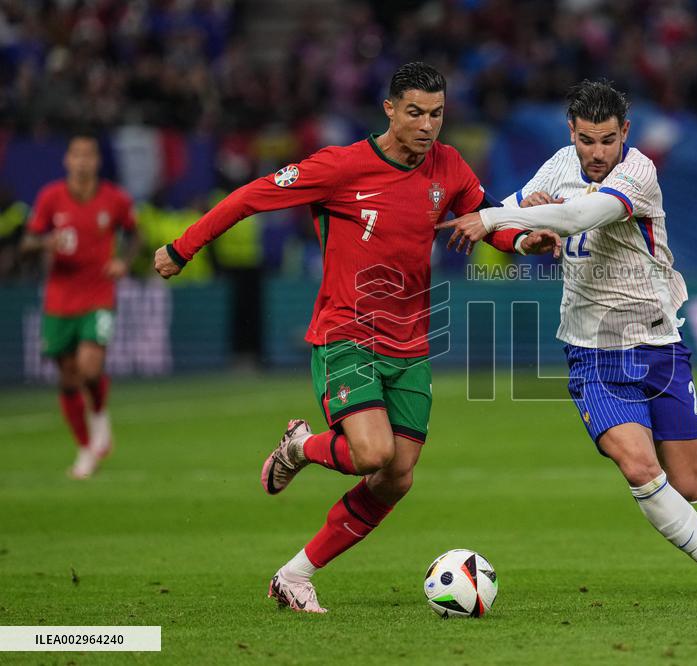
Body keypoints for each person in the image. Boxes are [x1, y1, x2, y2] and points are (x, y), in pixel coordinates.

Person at [153, 62, 557, 614]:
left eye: (437, 114)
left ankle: (295, 575)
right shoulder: (340, 167)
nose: (427, 125)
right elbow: (250, 196)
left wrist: (527, 240)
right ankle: (299, 447)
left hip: (411, 342)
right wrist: (183, 247)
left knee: (396, 477)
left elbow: (488, 222)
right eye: (415, 112)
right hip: (346, 333)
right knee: (371, 453)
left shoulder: (450, 165)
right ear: (389, 109)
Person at [438, 79, 697, 606]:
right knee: (639, 468)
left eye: (608, 139)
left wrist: (500, 217)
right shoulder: (560, 164)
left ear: (624, 132)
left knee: (691, 485)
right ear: (572, 132)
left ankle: (653, 462)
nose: (597, 152)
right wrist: (521, 234)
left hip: (657, 343)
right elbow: (517, 214)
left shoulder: (640, 171)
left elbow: (578, 215)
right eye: (587, 140)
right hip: (592, 352)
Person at [21, 132, 140, 479]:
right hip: (59, 298)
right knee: (68, 376)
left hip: (99, 294)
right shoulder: (50, 197)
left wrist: (124, 262)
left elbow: (135, 233)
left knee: (90, 367)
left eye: (89, 155)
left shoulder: (114, 200)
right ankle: (86, 447)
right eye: (77, 155)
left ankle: (99, 416)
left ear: (97, 162)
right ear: (67, 160)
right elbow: (27, 241)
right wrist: (45, 242)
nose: (83, 161)